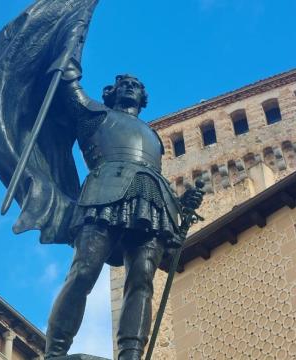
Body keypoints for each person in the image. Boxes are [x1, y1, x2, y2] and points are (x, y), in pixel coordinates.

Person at [44, 62, 204, 360]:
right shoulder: (95, 115)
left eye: (137, 85)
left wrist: (184, 203)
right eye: (124, 83)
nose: (131, 86)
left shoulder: (153, 136)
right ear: (111, 92)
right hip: (103, 195)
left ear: (143, 98)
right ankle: (55, 351)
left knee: (142, 279)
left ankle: (130, 355)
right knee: (84, 271)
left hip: (154, 199)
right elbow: (68, 86)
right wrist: (67, 52)